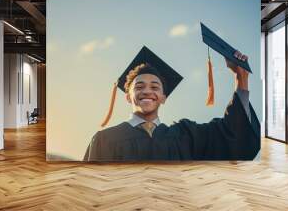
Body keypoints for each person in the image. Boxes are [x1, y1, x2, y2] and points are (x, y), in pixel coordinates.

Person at [83, 46, 260, 161]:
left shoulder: (186, 136)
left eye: (155, 86)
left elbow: (232, 135)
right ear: (128, 97)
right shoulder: (104, 140)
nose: (147, 91)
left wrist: (240, 78)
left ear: (163, 97)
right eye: (139, 86)